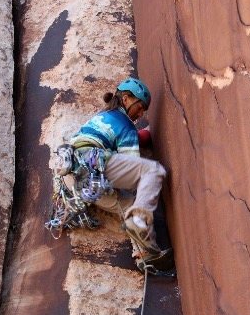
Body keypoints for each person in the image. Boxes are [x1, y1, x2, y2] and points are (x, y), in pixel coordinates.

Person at [68, 77, 174, 273]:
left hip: (79, 178)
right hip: (95, 162)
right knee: (153, 171)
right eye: (140, 107)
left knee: (128, 206)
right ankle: (139, 222)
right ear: (126, 98)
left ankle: (145, 255)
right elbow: (133, 167)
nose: (141, 114)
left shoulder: (104, 116)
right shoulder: (124, 124)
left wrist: (143, 135)